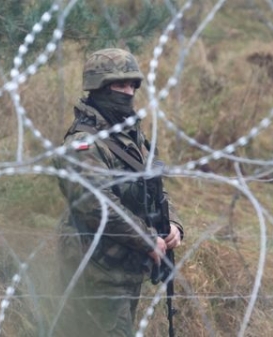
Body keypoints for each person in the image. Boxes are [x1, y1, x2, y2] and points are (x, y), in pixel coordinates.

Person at [53, 48, 184, 336]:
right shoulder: (83, 144)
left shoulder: (129, 134)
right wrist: (147, 239)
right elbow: (97, 205)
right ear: (99, 87)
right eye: (119, 85)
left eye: (131, 86)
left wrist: (172, 225)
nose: (127, 92)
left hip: (127, 265)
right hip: (96, 271)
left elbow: (154, 187)